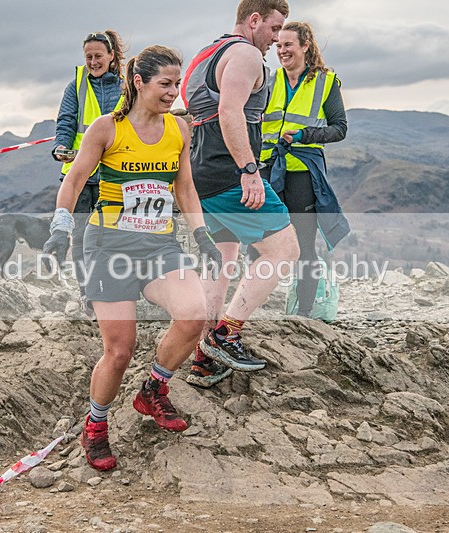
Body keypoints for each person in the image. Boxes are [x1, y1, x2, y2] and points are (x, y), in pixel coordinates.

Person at [43, 45, 223, 471]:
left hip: (158, 245)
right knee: (119, 351)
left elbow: (184, 189)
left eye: (177, 83)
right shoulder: (106, 129)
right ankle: (96, 426)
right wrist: (60, 226)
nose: (173, 92)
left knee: (194, 313)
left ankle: (153, 391)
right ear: (138, 82)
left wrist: (203, 236)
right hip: (109, 246)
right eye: (165, 84)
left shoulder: (179, 129)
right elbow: (74, 181)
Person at [182, 0, 299, 388]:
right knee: (284, 250)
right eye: (273, 28)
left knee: (222, 258)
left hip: (200, 172)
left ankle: (203, 358)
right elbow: (230, 112)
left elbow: (197, 112)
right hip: (229, 172)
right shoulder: (246, 54)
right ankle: (226, 334)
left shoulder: (205, 54)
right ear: (254, 20)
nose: (276, 39)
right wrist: (249, 171)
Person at [260, 21, 350, 318]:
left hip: (302, 173)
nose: (282, 50)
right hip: (267, 170)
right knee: (256, 241)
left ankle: (305, 313)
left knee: (303, 246)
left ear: (305, 46)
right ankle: (253, 305)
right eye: (278, 45)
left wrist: (304, 135)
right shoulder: (269, 80)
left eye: (288, 44)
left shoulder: (326, 82)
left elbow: (339, 129)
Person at [53, 30, 126, 316]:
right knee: (82, 239)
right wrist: (61, 143)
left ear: (111, 56)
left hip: (114, 176)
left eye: (98, 56)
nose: (93, 61)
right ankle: (88, 295)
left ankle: (115, 292)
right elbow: (66, 121)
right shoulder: (75, 87)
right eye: (88, 57)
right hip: (80, 177)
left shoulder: (126, 88)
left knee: (114, 238)